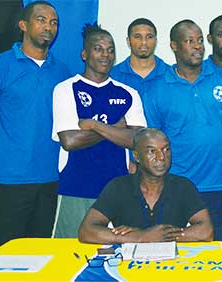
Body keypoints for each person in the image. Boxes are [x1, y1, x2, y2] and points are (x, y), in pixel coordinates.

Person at [143, 20, 222, 241]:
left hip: (221, 185)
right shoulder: (157, 88)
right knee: (173, 250)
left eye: (199, 41)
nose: (197, 46)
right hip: (175, 185)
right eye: (189, 41)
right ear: (174, 46)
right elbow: (150, 141)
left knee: (221, 251)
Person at [0, 1, 72, 251]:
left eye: (54, 22)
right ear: (23, 25)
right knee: (4, 258)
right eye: (41, 19)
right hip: (8, 183)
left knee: (38, 257)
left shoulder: (63, 73)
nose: (48, 26)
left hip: (49, 180)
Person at [51, 24, 146, 238]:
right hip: (75, 188)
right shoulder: (66, 89)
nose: (106, 55)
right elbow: (70, 141)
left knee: (118, 253)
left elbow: (137, 139)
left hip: (117, 190)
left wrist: (95, 125)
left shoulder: (128, 93)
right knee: (70, 252)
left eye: (110, 49)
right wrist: (116, 129)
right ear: (84, 54)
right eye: (98, 48)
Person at [78, 129, 213, 244]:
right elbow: (86, 231)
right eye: (152, 151)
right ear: (136, 156)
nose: (161, 157)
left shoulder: (183, 186)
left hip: (170, 266)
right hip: (126, 266)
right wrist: (140, 237)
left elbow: (206, 231)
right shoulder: (119, 186)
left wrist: (162, 237)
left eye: (166, 149)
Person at [110, 18, 168, 95]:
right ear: (128, 41)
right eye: (137, 37)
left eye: (149, 37)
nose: (144, 42)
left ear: (155, 41)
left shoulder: (171, 75)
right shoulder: (112, 76)